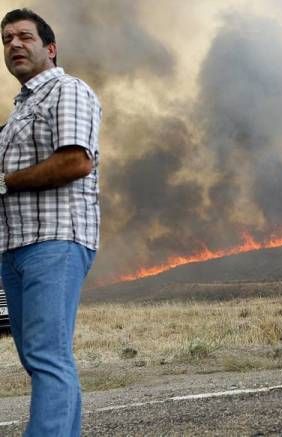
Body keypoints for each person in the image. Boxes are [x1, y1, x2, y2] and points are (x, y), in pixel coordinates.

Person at [1, 8, 101, 436]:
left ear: (50, 48)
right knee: (43, 357)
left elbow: (76, 161)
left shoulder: (67, 90)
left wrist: (4, 181)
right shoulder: (18, 112)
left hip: (53, 241)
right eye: (6, 40)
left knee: (46, 356)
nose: (14, 45)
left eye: (25, 36)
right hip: (15, 245)